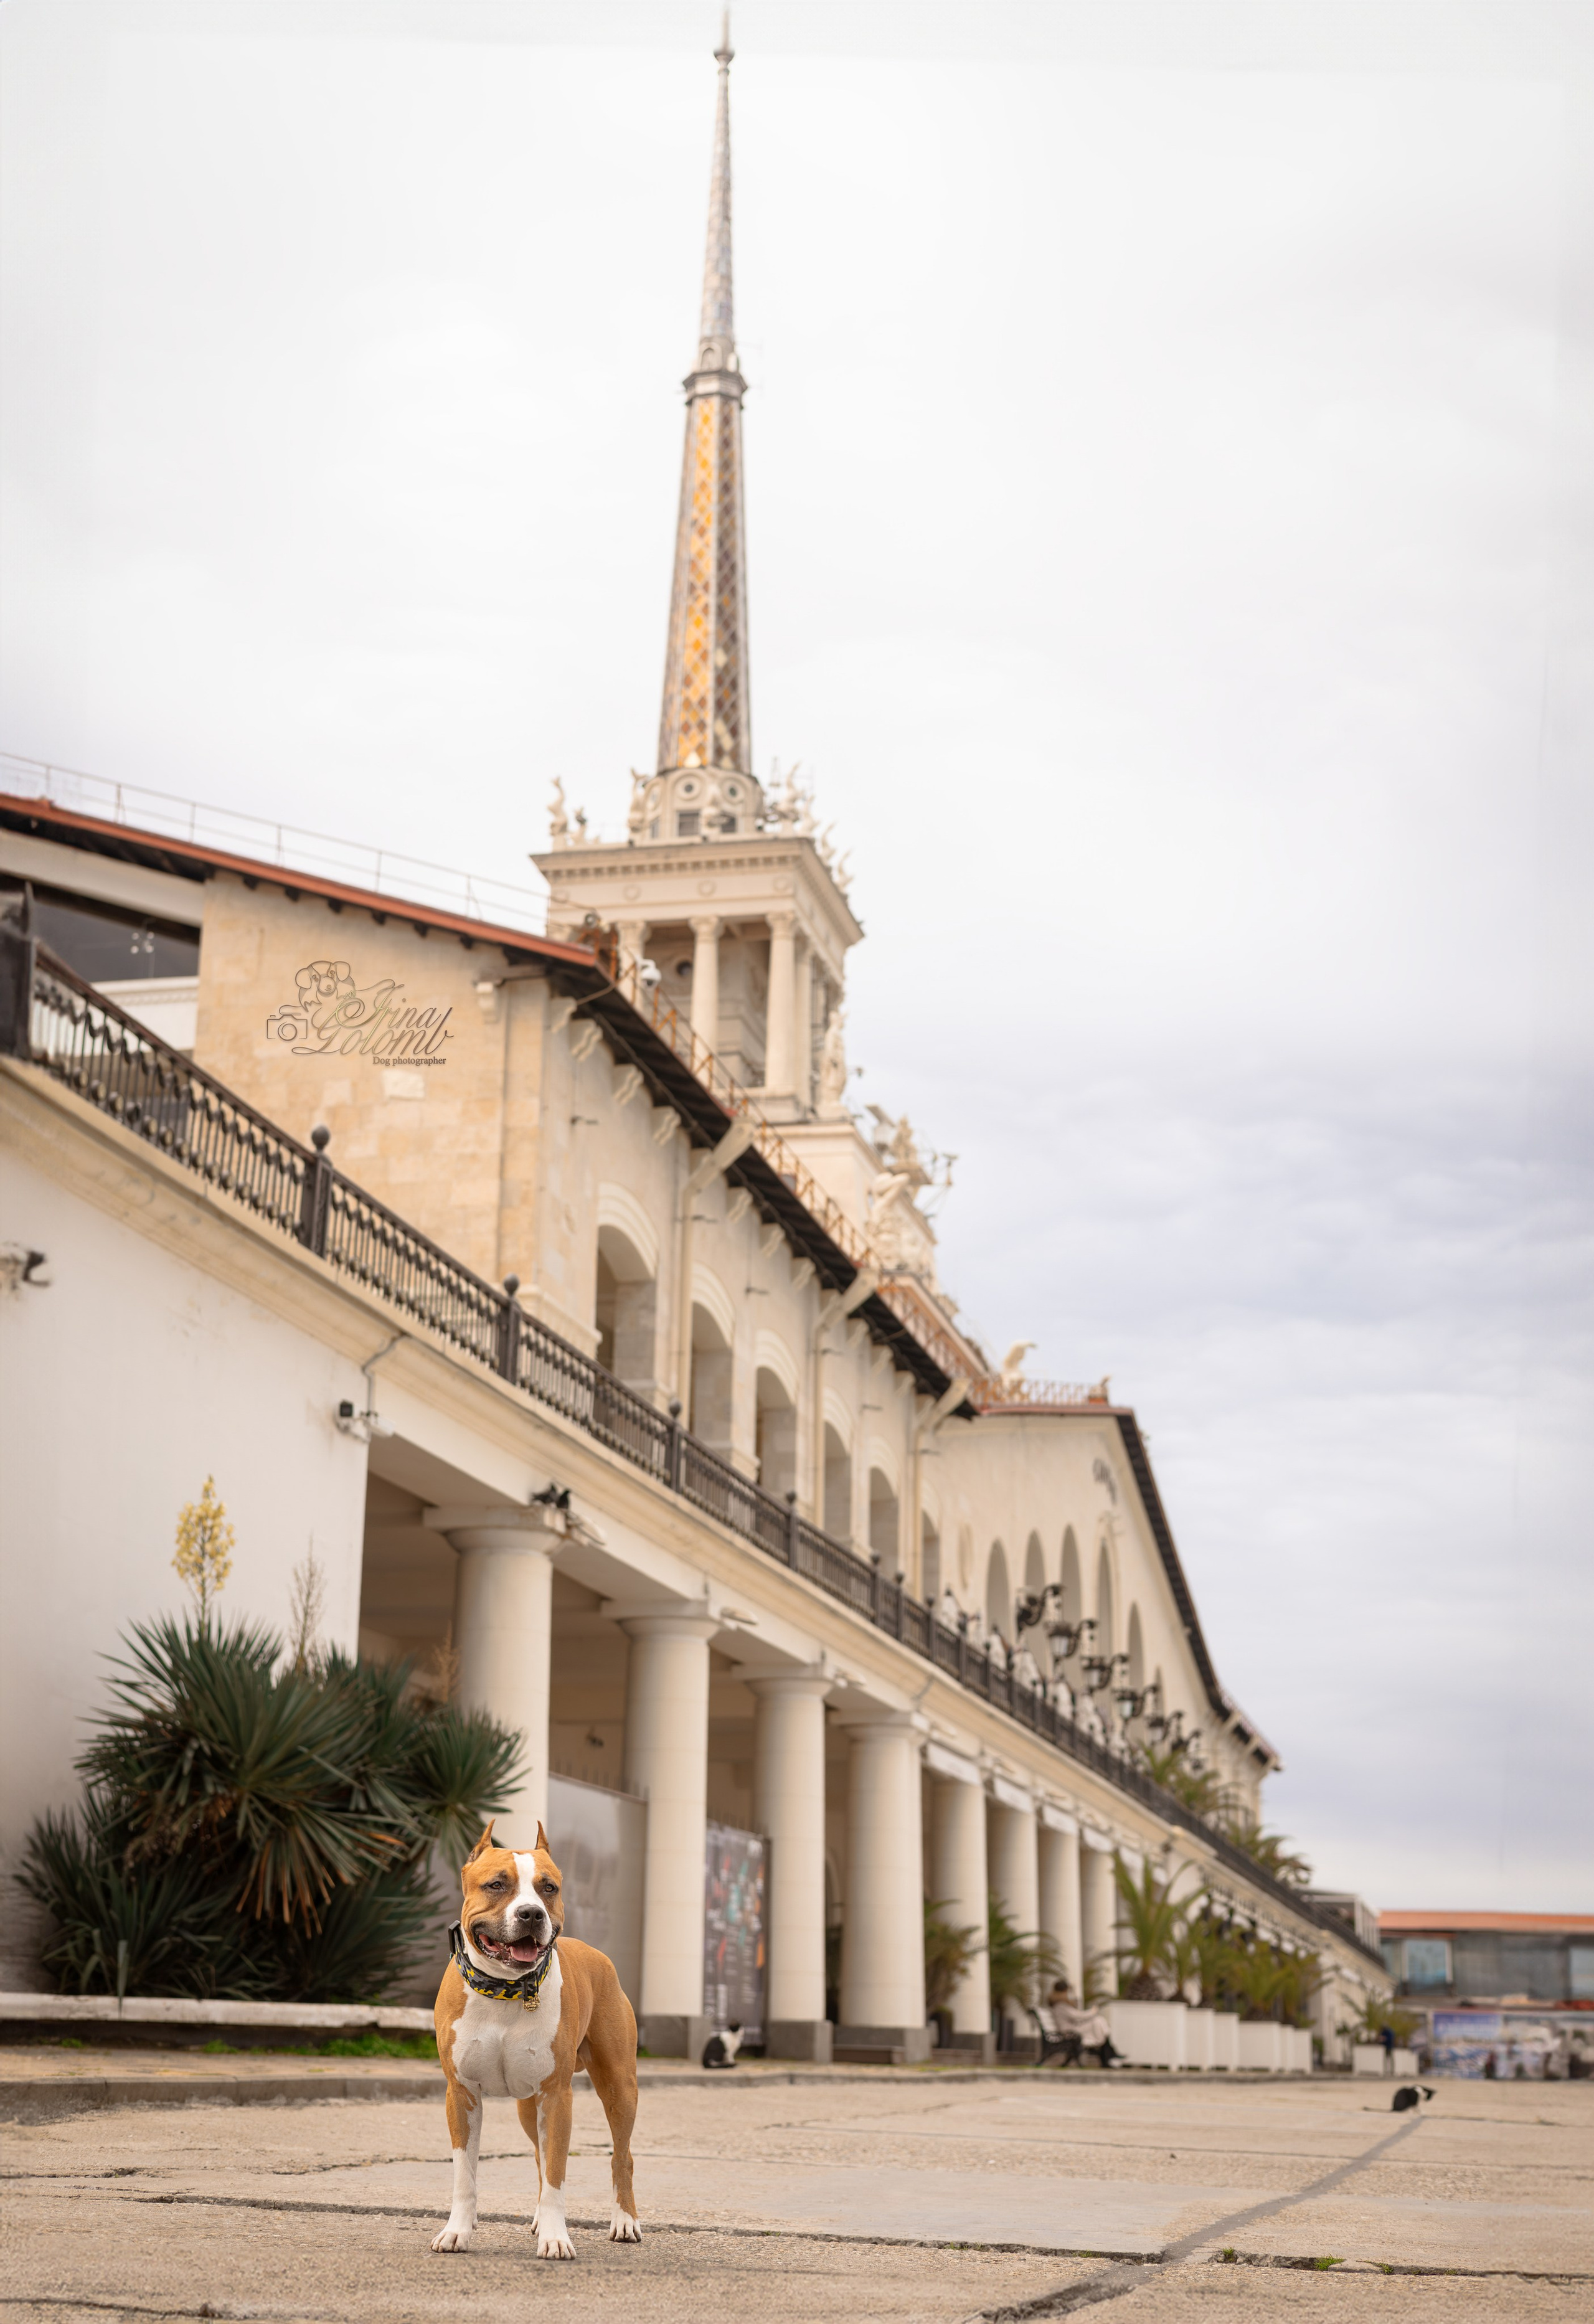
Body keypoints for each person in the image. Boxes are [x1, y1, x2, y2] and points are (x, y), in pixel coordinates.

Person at [1046, 1977, 1122, 2068]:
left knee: (1098, 2021)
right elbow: (1078, 2016)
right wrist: (1093, 2011)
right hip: (1070, 2033)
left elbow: (1077, 2017)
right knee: (1098, 2021)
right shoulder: (1060, 2005)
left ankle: (1110, 2053)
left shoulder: (1060, 2004)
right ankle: (1110, 2052)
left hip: (1073, 2030)